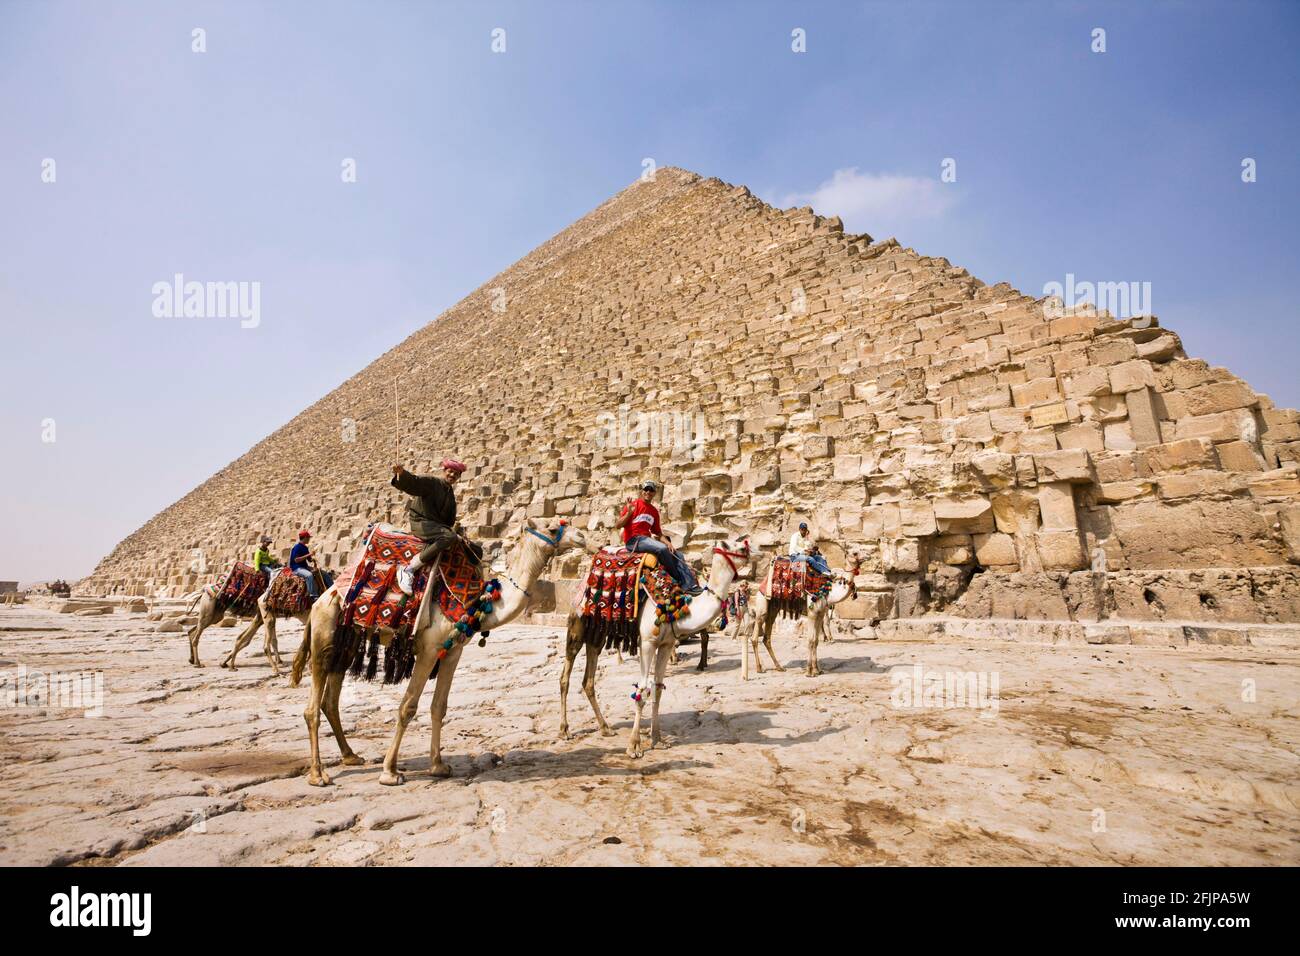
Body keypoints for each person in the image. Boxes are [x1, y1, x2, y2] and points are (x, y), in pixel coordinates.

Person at [392, 458, 466, 595]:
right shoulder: (432, 483)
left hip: (435, 526)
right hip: (421, 522)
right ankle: (409, 569)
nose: (452, 476)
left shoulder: (450, 494)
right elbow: (414, 483)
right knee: (448, 537)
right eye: (450, 472)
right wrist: (402, 474)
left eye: (456, 474)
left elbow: (449, 520)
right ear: (444, 471)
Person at [615, 480, 699, 592]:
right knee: (662, 548)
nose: (648, 492)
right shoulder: (633, 505)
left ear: (654, 493)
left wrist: (669, 543)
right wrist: (629, 513)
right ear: (642, 491)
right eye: (646, 489)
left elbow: (658, 533)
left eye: (651, 490)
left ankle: (690, 586)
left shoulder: (654, 511)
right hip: (634, 540)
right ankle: (677, 579)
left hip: (646, 540)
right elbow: (618, 525)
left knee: (678, 554)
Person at [289, 529, 331, 598]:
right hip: (297, 568)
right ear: (305, 538)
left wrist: (312, 558)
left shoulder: (305, 547)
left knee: (322, 572)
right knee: (309, 575)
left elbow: (309, 560)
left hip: (304, 566)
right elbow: (296, 560)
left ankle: (331, 587)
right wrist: (309, 555)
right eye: (308, 538)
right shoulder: (297, 547)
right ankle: (313, 595)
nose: (309, 539)